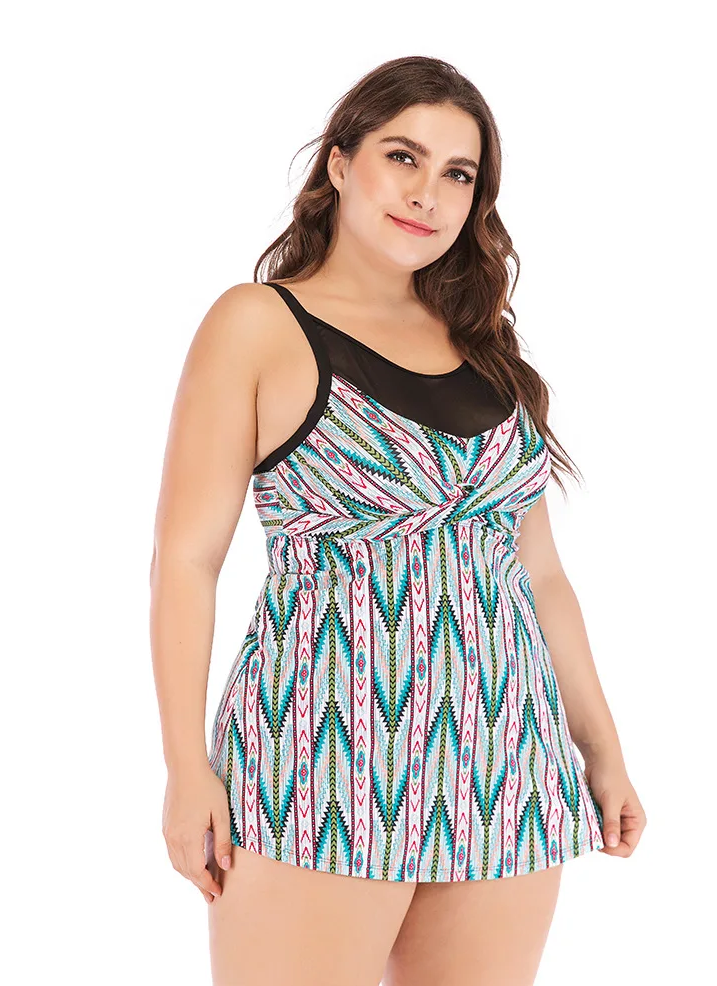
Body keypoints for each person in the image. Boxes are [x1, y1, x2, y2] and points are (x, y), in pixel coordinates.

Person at [150, 55, 646, 986]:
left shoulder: (486, 346)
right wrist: (186, 770)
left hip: (508, 766)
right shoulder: (257, 323)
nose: (428, 194)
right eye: (403, 157)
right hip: (321, 758)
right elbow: (186, 560)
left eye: (458, 174)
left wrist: (603, 749)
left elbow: (540, 574)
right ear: (340, 163)